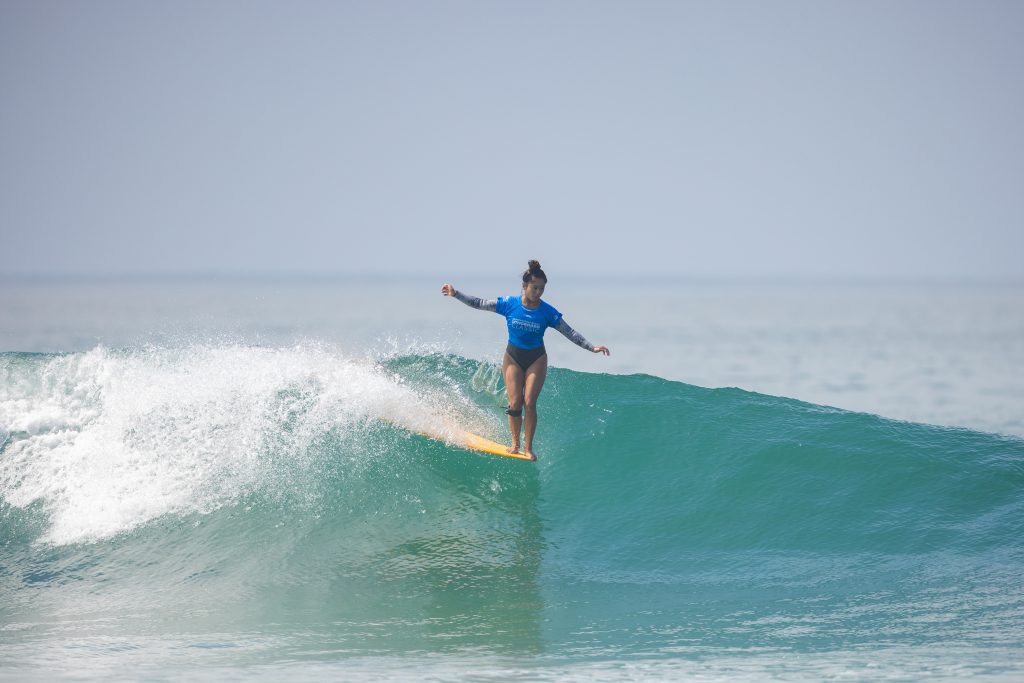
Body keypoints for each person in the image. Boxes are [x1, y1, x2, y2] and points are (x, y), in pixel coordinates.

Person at [441, 260, 610, 460]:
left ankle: (528, 448)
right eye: (535, 287)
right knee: (515, 403)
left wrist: (592, 347)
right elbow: (479, 303)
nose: (538, 292)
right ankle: (515, 444)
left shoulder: (547, 312)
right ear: (525, 286)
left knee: (530, 402)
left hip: (536, 358)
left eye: (542, 288)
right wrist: (456, 293)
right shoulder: (509, 304)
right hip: (513, 356)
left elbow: (569, 332)